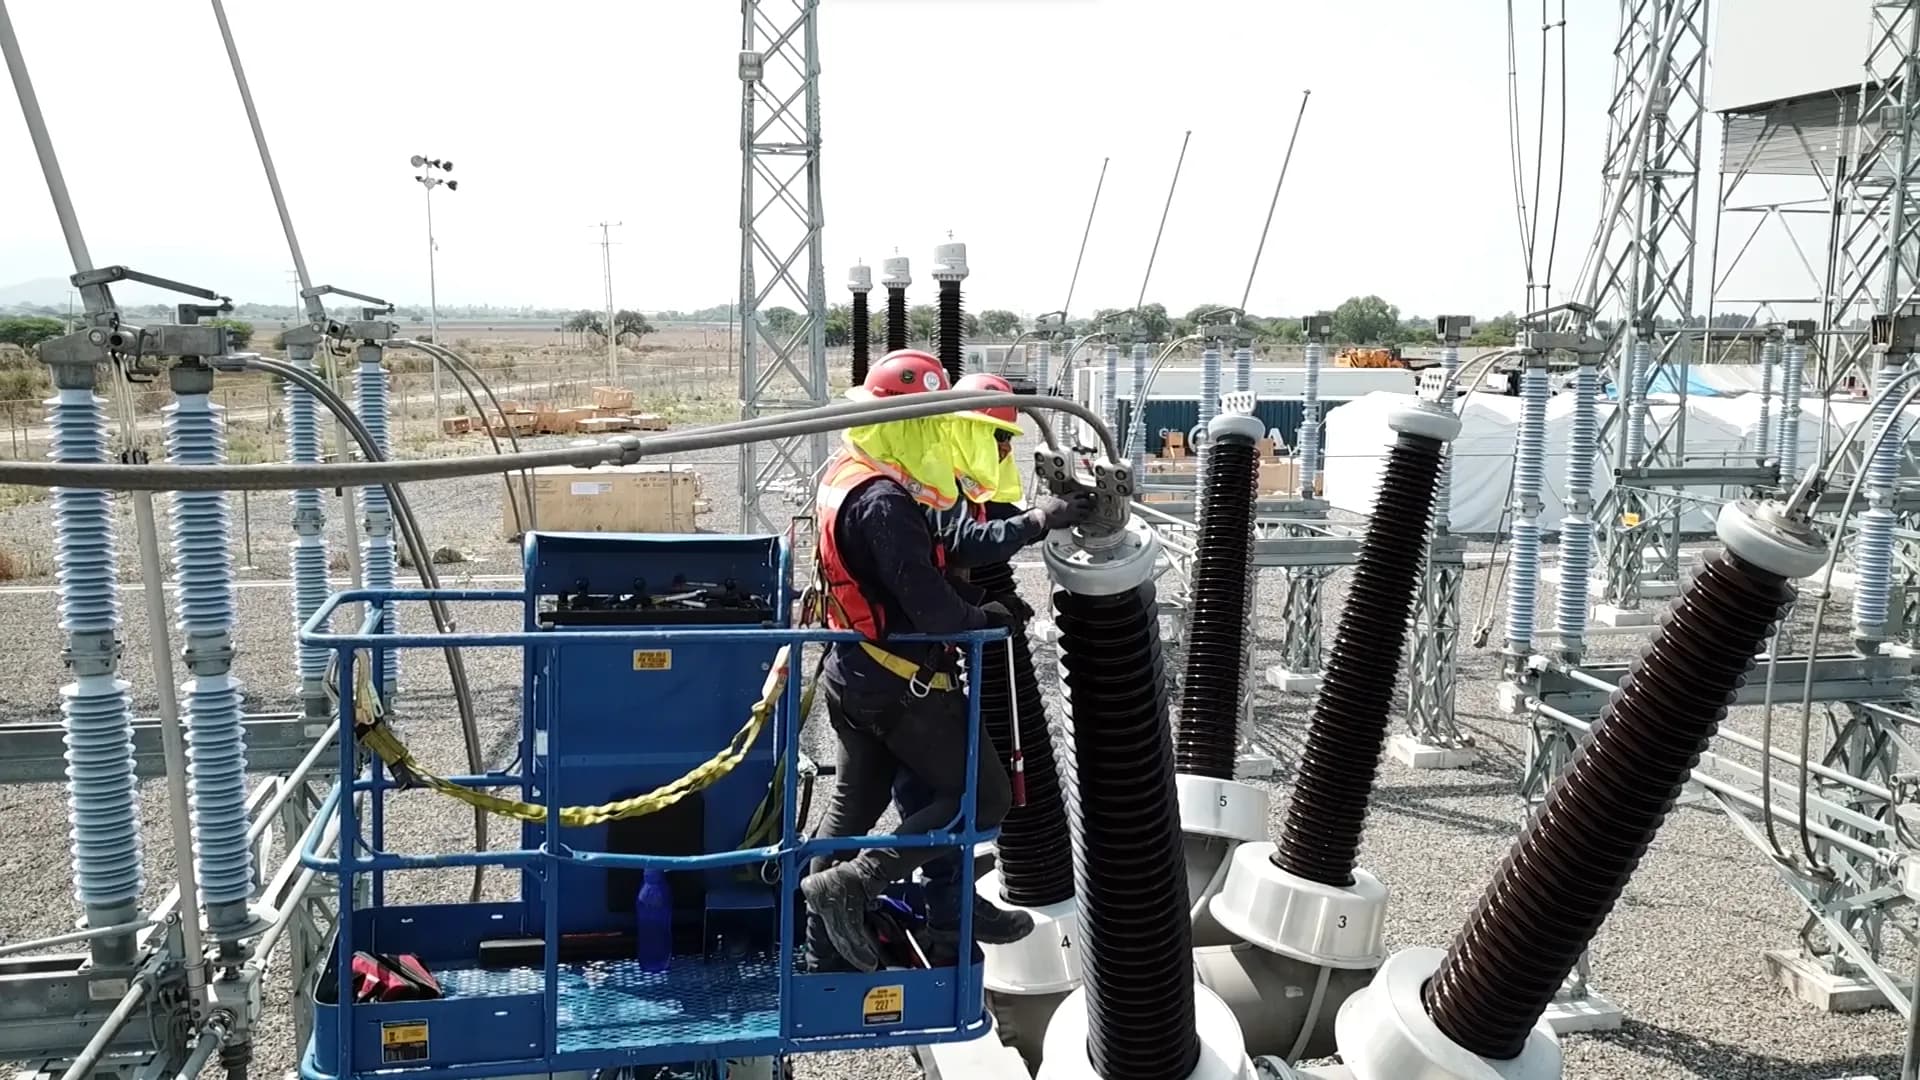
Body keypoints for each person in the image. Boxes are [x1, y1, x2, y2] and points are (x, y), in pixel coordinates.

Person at [803, 350, 1025, 973]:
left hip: (853, 671)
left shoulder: (850, 473)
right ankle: (857, 882)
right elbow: (933, 610)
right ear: (914, 425)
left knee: (853, 808)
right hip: (899, 682)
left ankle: (821, 947)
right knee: (980, 796)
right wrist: (986, 620)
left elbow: (904, 575)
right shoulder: (885, 501)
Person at [896, 372, 1091, 948]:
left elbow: (987, 517)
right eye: (997, 439)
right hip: (898, 670)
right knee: (972, 796)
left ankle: (940, 905)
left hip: (904, 663)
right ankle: (856, 887)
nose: (1005, 450)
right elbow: (965, 542)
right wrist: (1038, 520)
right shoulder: (930, 484)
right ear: (965, 433)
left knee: (908, 794)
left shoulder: (949, 477)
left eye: (1008, 440)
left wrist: (1054, 511)